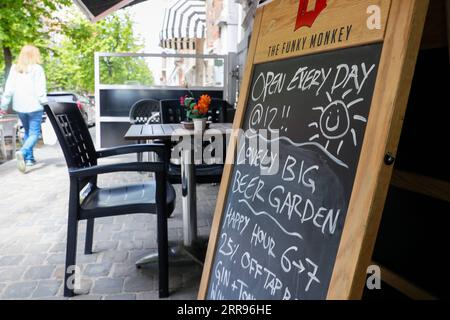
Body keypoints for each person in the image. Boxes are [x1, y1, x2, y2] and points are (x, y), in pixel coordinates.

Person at [0, 45, 48, 173]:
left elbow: (8, 89)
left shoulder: (14, 69)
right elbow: (40, 89)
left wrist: (3, 106)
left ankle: (29, 159)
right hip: (35, 106)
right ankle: (23, 152)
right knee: (34, 133)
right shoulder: (37, 69)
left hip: (20, 107)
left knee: (27, 132)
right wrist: (45, 103)